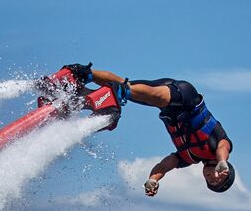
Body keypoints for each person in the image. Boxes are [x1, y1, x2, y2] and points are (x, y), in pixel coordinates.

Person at [64, 63, 234, 195]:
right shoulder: (219, 147)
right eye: (217, 179)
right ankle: (120, 92)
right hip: (186, 99)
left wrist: (153, 179)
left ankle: (79, 78)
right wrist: (221, 162)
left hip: (166, 106)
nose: (211, 178)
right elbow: (223, 147)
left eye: (210, 182)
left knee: (124, 85)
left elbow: (164, 165)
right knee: (142, 94)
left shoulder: (189, 158)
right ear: (226, 171)